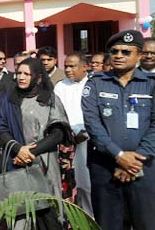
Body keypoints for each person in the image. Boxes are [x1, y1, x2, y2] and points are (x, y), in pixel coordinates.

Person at [81, 30, 155, 230]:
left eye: (125, 52)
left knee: (146, 225)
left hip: (144, 169)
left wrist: (134, 161)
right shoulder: (95, 84)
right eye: (114, 51)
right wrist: (119, 155)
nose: (119, 55)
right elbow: (93, 126)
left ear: (139, 56)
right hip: (106, 170)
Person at [0, 57, 69, 229]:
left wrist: (30, 153)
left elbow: (58, 133)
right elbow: (1, 128)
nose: (21, 77)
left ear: (38, 77)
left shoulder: (49, 99)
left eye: (27, 74)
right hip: (16, 162)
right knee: (19, 212)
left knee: (48, 213)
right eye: (19, 73)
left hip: (44, 164)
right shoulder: (9, 99)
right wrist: (18, 150)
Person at [54, 52, 93, 215]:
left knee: (90, 185)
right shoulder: (60, 86)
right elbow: (56, 114)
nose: (68, 70)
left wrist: (85, 134)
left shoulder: (94, 84)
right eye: (66, 66)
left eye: (72, 66)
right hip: (67, 143)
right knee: (73, 183)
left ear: (85, 67)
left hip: (90, 142)